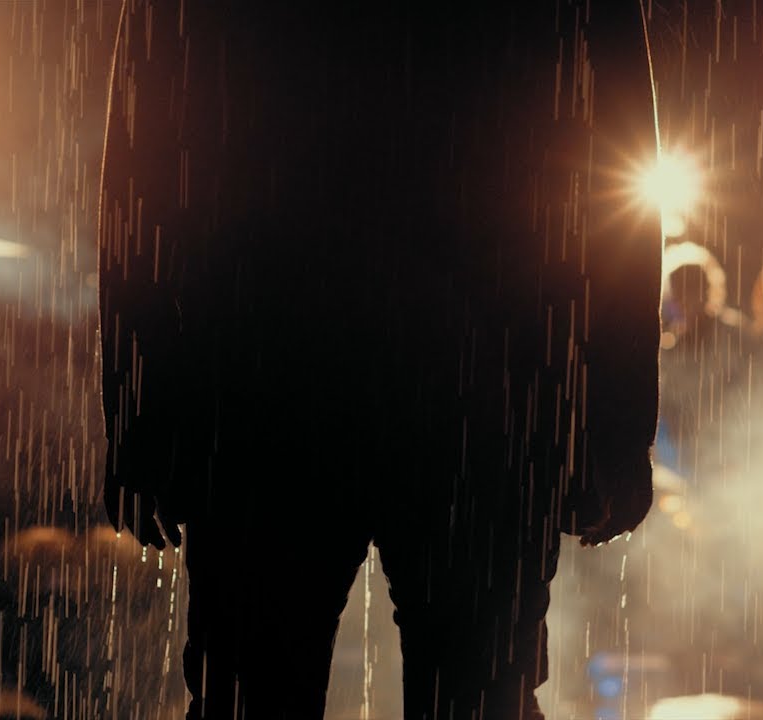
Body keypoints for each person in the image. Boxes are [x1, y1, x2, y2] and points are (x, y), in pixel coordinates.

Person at [98, 1, 662, 718]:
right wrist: (616, 421)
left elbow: (145, 157)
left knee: (249, 691)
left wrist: (138, 408)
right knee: (481, 692)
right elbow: (618, 161)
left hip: (266, 386)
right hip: (486, 395)